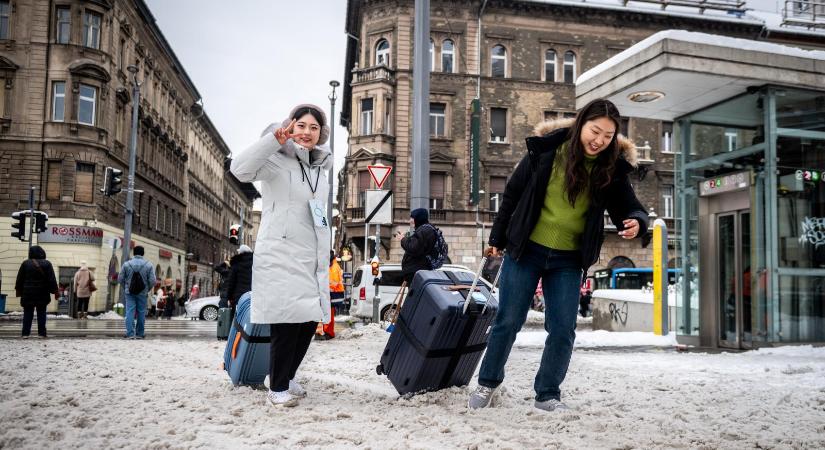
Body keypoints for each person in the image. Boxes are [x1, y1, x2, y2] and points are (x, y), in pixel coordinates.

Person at [468, 98, 649, 412]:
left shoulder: (612, 168)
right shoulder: (548, 151)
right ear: (581, 125)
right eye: (595, 131)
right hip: (527, 249)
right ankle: (487, 383)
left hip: (568, 259)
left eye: (608, 136)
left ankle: (548, 394)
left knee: (564, 328)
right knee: (508, 320)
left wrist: (638, 222)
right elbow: (512, 193)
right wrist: (497, 237)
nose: (600, 141)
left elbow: (628, 206)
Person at [230, 103, 333, 407]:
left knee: (308, 320)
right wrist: (274, 139)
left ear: (321, 134)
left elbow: (319, 215)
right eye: (301, 126)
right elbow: (240, 168)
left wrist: (325, 248)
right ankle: (277, 389)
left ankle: (285, 377)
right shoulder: (275, 160)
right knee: (287, 322)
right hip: (281, 253)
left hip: (309, 255)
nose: (306, 133)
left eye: (313, 128)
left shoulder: (320, 172)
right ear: (291, 126)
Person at [15, 246, 58, 338]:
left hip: (28, 293)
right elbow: (51, 279)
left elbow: (19, 279)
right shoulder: (47, 264)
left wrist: (19, 290)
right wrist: (55, 291)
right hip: (42, 292)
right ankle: (41, 333)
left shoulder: (25, 264)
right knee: (42, 313)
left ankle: (25, 333)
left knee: (27, 313)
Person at [117, 246, 157, 339]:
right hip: (142, 293)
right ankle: (140, 333)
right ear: (143, 253)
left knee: (130, 311)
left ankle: (130, 333)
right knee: (141, 312)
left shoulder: (127, 264)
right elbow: (153, 281)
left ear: (134, 253)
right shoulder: (148, 265)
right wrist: (147, 289)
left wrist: (126, 287)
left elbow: (120, 279)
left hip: (129, 293)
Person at [396, 208, 438, 285]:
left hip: (416, 272)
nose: (410, 220)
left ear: (419, 218)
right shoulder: (426, 229)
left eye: (412, 217)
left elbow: (413, 248)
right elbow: (418, 246)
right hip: (417, 270)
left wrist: (402, 239)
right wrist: (407, 239)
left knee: (415, 296)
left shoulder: (423, 231)